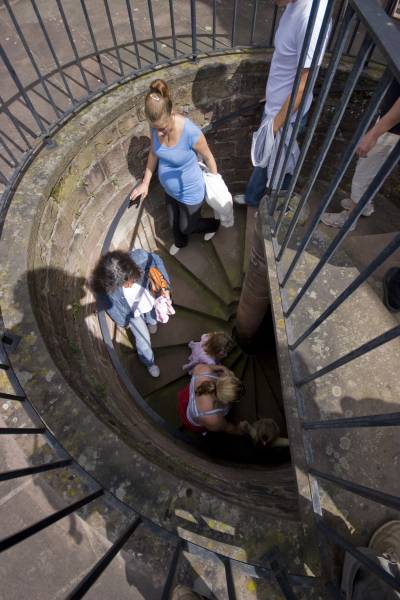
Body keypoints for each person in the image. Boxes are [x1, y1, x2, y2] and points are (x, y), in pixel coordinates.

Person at [234, 0, 331, 209]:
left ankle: (276, 209)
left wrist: (276, 124)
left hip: (287, 116)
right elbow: (287, 62)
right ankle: (253, 200)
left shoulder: (312, 19)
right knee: (264, 161)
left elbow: (302, 86)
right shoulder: (293, 5)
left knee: (282, 165)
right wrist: (270, 94)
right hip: (275, 106)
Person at [130, 78, 220, 255]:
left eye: (163, 128)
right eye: (155, 128)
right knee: (174, 225)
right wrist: (145, 183)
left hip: (190, 192)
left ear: (171, 113)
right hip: (170, 191)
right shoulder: (156, 126)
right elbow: (154, 153)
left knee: (187, 226)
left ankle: (214, 225)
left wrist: (215, 183)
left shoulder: (190, 132)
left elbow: (209, 157)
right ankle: (181, 243)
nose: (160, 133)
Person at [321, 81, 400, 230]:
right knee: (376, 171)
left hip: (392, 129)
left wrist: (374, 134)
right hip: (391, 126)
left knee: (364, 172)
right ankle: (363, 205)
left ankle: (350, 217)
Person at [90, 248, 171, 378]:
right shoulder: (105, 289)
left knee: (152, 315)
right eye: (123, 283)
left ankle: (152, 322)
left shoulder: (140, 257)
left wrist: (165, 287)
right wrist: (124, 322)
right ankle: (149, 362)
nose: (128, 284)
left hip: (149, 299)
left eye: (129, 279)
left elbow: (156, 260)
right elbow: (110, 307)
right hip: (132, 313)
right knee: (143, 340)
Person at [178, 364, 244, 434]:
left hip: (195, 394)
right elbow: (228, 428)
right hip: (195, 418)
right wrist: (240, 430)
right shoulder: (214, 419)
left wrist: (224, 368)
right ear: (225, 402)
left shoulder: (204, 370)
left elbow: (215, 367)